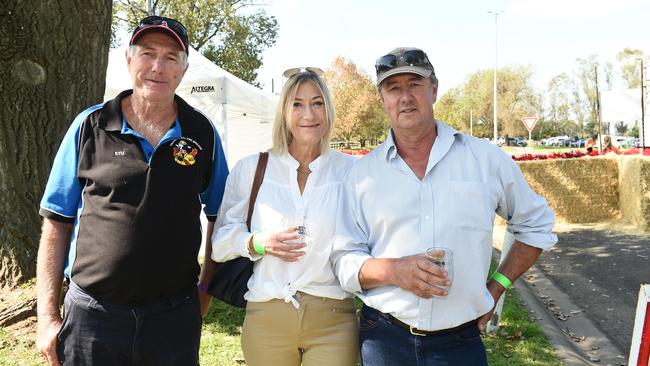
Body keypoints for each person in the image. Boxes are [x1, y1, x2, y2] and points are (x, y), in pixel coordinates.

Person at [331, 47, 558, 365]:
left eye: (415, 84)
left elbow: (537, 225)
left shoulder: (484, 160)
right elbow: (343, 261)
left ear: (434, 89)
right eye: (393, 88)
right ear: (382, 99)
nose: (405, 97)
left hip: (460, 343)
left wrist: (497, 286)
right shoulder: (360, 176)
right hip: (384, 340)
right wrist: (394, 271)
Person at [35, 16, 228, 366]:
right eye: (147, 53)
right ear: (128, 59)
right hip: (93, 318)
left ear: (183, 69)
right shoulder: (88, 127)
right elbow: (57, 222)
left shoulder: (202, 133)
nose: (158, 66)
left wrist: (204, 291)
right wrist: (47, 317)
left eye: (171, 57)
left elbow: (221, 216)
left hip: (173, 319)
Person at [211, 68, 358, 366]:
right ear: (284, 112)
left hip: (333, 320)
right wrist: (258, 243)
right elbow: (220, 244)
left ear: (327, 110)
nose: (308, 114)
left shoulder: (352, 172)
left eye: (317, 103)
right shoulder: (252, 169)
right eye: (297, 104)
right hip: (267, 318)